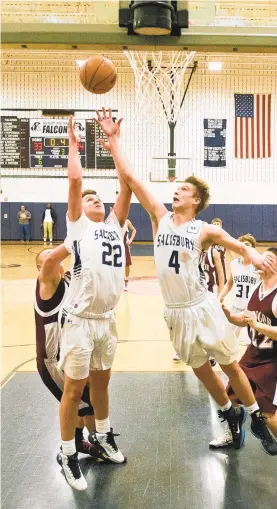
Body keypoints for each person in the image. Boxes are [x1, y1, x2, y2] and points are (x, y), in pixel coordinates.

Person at [96, 107, 276, 456]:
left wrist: (252, 256)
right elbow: (130, 178)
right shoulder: (160, 217)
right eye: (176, 189)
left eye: (182, 190)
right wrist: (115, 140)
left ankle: (254, 417)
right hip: (175, 311)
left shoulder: (203, 228)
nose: (175, 192)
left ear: (196, 201)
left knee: (229, 365)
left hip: (202, 306)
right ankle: (229, 412)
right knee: (198, 368)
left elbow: (235, 244)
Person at [57, 115, 130, 490]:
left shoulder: (115, 226)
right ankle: (67, 452)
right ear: (79, 210)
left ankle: (101, 437)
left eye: (98, 197)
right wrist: (74, 144)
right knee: (75, 389)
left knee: (102, 384)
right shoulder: (77, 226)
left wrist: (116, 142)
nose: (94, 199)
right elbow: (74, 181)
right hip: (80, 319)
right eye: (89, 198)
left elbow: (126, 185)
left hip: (107, 320)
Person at [35, 246, 105, 461]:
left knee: (87, 398)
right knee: (83, 401)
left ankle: (85, 440)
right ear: (41, 268)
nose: (54, 260)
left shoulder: (68, 281)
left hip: (71, 353)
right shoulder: (46, 284)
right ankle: (86, 443)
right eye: (48, 259)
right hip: (52, 362)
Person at [210, 247, 277, 455]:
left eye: (267, 258)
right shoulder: (258, 287)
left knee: (266, 412)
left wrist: (259, 327)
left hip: (271, 359)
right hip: (252, 353)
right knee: (231, 396)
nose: (260, 261)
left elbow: (258, 325)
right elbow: (247, 318)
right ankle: (233, 434)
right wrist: (230, 316)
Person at [219, 234, 260, 340]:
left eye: (247, 245)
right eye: (242, 245)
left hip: (253, 310)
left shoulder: (258, 265)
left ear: (253, 248)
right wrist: (220, 297)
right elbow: (229, 284)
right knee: (227, 338)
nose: (244, 247)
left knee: (252, 342)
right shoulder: (234, 264)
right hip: (236, 307)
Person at [211, 218, 227, 284]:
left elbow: (229, 248)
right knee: (211, 277)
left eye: (218, 224)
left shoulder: (224, 236)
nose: (216, 225)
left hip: (221, 260)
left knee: (222, 279)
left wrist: (233, 258)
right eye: (214, 224)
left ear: (221, 226)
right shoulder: (210, 236)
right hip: (211, 261)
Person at [123, 218, 136, 291]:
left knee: (127, 264)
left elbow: (134, 230)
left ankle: (126, 281)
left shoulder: (127, 221)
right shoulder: (113, 221)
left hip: (125, 245)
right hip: (116, 245)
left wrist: (130, 240)